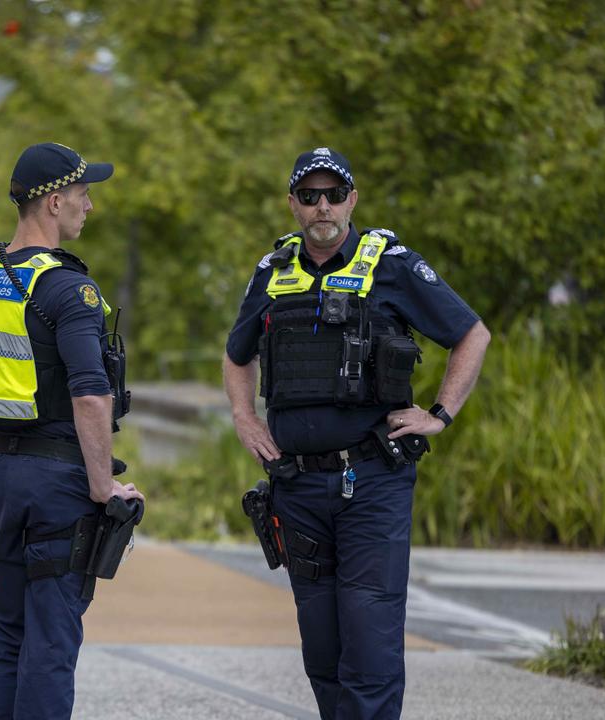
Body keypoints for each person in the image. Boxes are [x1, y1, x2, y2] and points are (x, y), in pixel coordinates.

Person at [223, 147, 490, 719]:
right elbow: (236, 354)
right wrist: (244, 418)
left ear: (353, 199)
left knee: (368, 646)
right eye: (310, 195)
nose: (323, 206)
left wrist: (439, 414)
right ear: (292, 203)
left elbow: (472, 334)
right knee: (323, 650)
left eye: (334, 194)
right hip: (296, 489)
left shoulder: (391, 263)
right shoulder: (273, 271)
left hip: (371, 483)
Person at [0, 142, 144, 720]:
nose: (89, 206)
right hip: (60, 483)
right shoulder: (67, 290)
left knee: (6, 636)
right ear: (54, 202)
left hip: (4, 476)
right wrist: (103, 487)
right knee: (51, 644)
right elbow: (90, 395)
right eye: (83, 194)